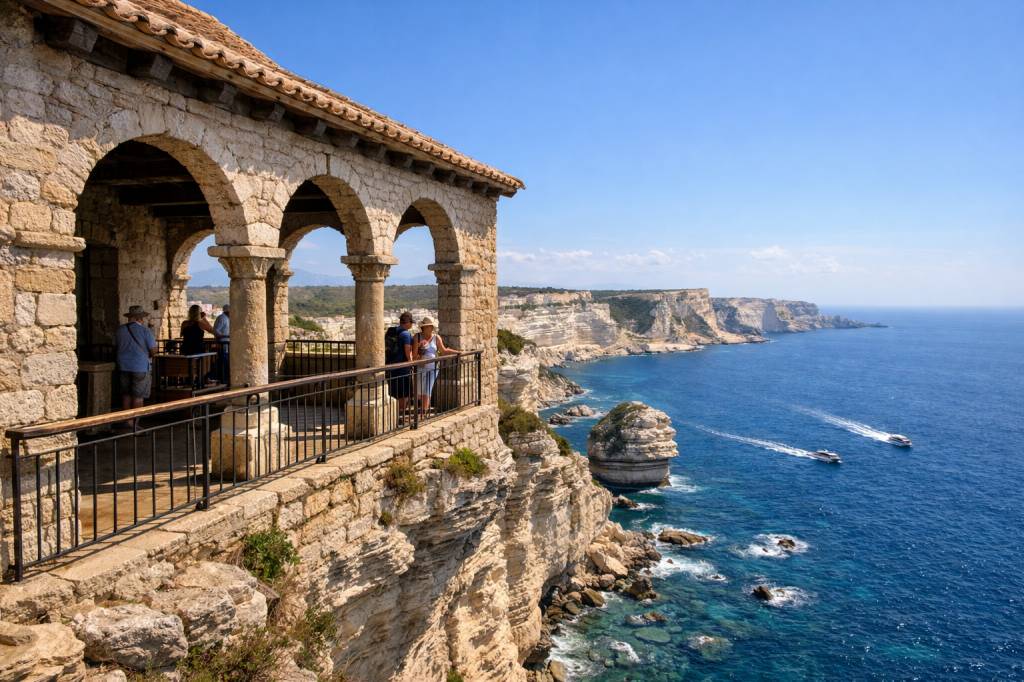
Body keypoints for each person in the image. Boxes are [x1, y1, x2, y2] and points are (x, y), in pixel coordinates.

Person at [116, 305, 157, 427]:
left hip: (123, 366)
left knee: (126, 394)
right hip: (140, 367)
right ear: (140, 318)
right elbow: (153, 350)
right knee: (138, 396)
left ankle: (127, 421)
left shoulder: (120, 330)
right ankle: (135, 424)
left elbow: (117, 346)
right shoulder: (145, 331)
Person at [412, 316, 459, 415]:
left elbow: (444, 350)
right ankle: (421, 411)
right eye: (429, 326)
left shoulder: (436, 337)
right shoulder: (417, 337)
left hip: (433, 369)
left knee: (427, 391)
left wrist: (458, 352)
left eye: (431, 326)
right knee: (419, 392)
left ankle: (423, 414)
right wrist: (421, 352)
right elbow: (414, 357)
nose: (431, 328)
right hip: (420, 368)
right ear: (424, 327)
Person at [385, 312, 415, 419]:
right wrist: (411, 363)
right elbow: (407, 352)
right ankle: (399, 416)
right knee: (404, 394)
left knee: (394, 393)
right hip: (403, 369)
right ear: (407, 323)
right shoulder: (406, 334)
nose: (412, 325)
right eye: (411, 322)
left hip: (391, 367)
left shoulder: (392, 331)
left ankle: (393, 416)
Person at [212, 304, 230, 384]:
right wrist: (226, 336)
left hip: (226, 344)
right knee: (223, 362)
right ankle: (223, 379)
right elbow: (216, 331)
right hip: (223, 344)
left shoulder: (226, 318)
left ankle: (224, 379)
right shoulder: (222, 318)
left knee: (225, 362)